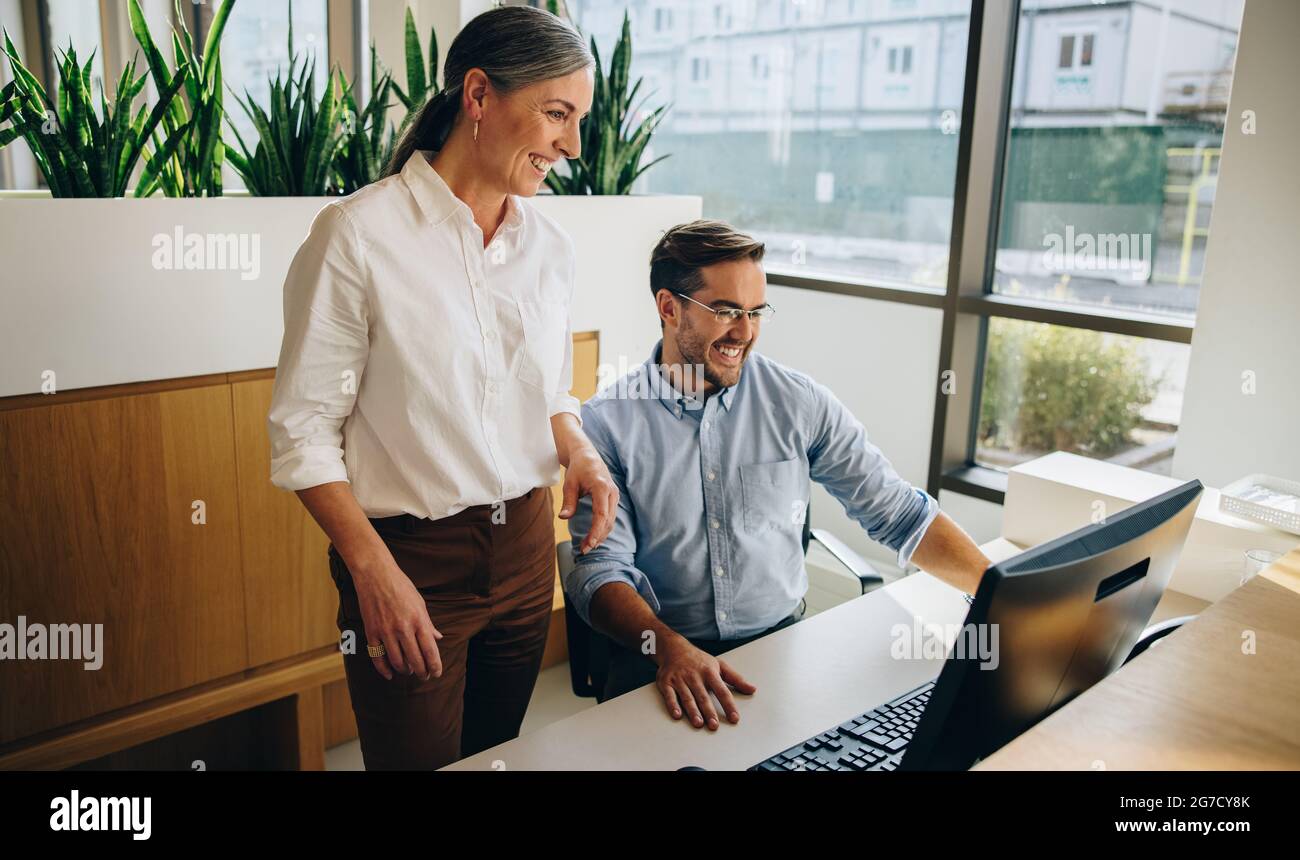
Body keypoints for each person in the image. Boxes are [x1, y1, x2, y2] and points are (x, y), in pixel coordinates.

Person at [266, 6, 618, 770]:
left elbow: (551, 391)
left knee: (494, 758)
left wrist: (579, 448)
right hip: (410, 559)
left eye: (579, 119)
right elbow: (301, 433)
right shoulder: (356, 236)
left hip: (526, 548)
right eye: (557, 114)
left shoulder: (550, 245)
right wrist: (372, 573)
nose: (572, 144)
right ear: (480, 95)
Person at [564, 220, 992, 730]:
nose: (744, 333)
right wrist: (669, 650)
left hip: (780, 652)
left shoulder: (798, 402)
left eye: (754, 312)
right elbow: (601, 572)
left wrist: (998, 594)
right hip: (657, 660)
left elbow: (896, 512)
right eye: (725, 312)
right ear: (669, 307)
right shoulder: (607, 422)